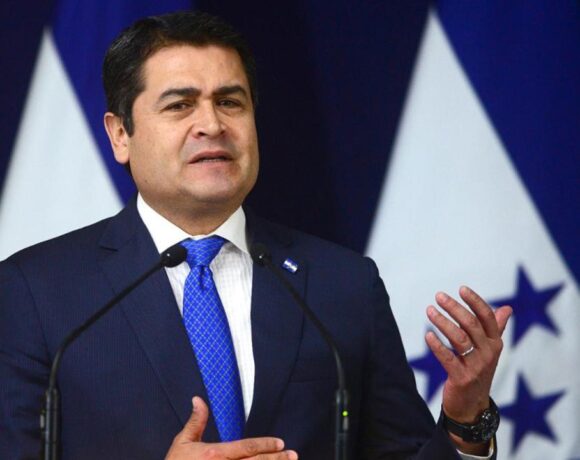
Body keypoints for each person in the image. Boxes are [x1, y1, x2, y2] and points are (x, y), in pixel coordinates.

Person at [0, 11, 511, 460]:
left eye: (230, 102)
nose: (212, 124)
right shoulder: (35, 292)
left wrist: (465, 421)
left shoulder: (342, 285)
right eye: (180, 105)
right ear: (120, 135)